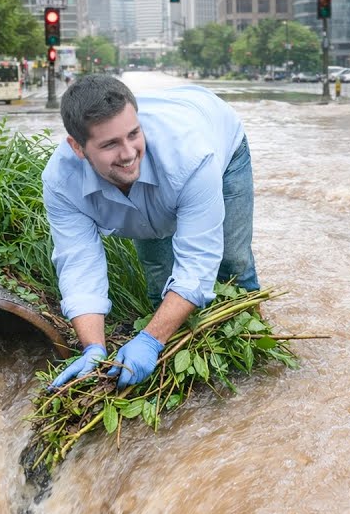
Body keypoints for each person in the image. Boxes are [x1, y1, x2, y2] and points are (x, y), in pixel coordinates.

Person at [42, 74, 259, 390]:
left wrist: (150, 339)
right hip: (167, 183)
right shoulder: (62, 184)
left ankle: (252, 343)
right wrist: (94, 348)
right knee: (160, 275)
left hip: (220, 143)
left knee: (232, 263)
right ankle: (178, 343)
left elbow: (197, 265)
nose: (128, 153)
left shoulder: (191, 155)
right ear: (77, 147)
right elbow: (79, 267)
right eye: (110, 144)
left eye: (133, 134)